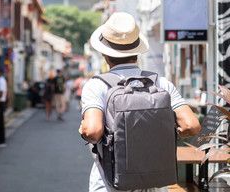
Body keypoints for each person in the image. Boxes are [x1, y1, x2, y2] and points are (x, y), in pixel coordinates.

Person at [78, 12, 201, 192]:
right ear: (136, 51)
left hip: (110, 183)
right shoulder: (161, 83)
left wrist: (83, 129)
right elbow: (192, 126)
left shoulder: (97, 86)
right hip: (155, 183)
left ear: (104, 53)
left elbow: (93, 132)